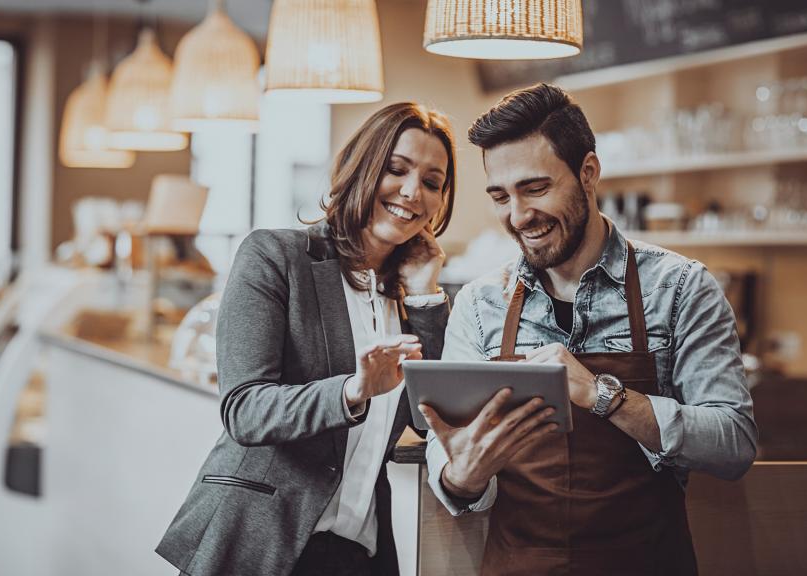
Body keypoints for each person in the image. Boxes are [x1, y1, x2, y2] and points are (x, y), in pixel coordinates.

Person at [419, 83, 757, 575]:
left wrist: (603, 394)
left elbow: (733, 444)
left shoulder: (682, 288)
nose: (518, 216)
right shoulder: (478, 304)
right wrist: (460, 479)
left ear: (588, 173)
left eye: (535, 188)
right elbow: (449, 459)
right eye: (501, 196)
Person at [156, 102, 456, 576]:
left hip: (360, 552)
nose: (412, 192)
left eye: (433, 182)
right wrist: (351, 391)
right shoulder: (276, 256)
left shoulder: (411, 293)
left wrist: (424, 293)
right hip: (263, 543)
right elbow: (245, 409)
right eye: (396, 170)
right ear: (362, 167)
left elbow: (429, 417)